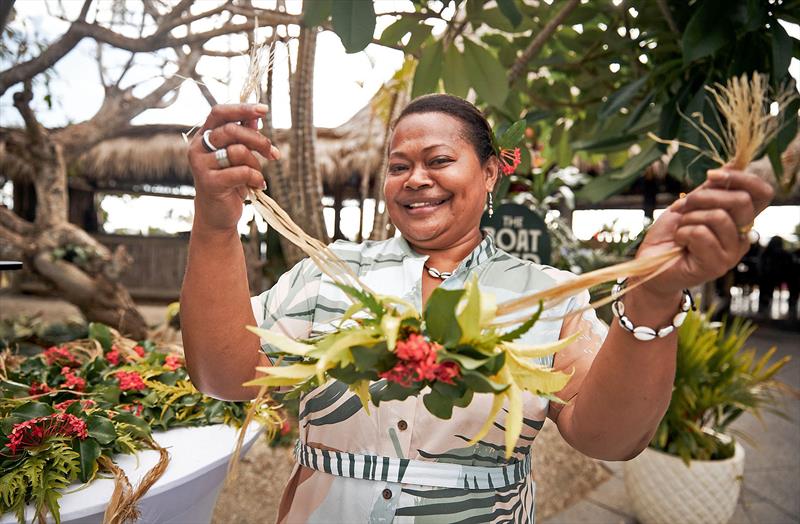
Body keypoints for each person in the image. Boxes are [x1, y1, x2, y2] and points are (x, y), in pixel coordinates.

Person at [180, 94, 774, 523]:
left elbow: (607, 437)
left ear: (490, 173)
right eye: (398, 166)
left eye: (439, 161)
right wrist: (213, 221)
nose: (415, 179)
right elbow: (222, 374)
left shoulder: (545, 293)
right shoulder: (327, 271)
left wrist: (655, 294)